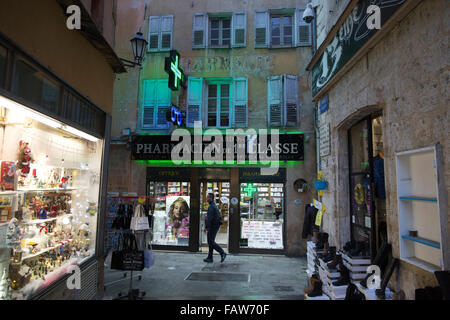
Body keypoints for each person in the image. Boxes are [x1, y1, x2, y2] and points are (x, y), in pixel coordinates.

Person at [203, 193, 226, 263]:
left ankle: (222, 253)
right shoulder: (213, 205)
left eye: (207, 197)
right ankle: (210, 257)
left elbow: (210, 218)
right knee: (210, 241)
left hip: (213, 226)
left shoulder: (211, 207)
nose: (206, 199)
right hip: (215, 225)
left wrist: (206, 227)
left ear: (211, 198)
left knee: (211, 242)